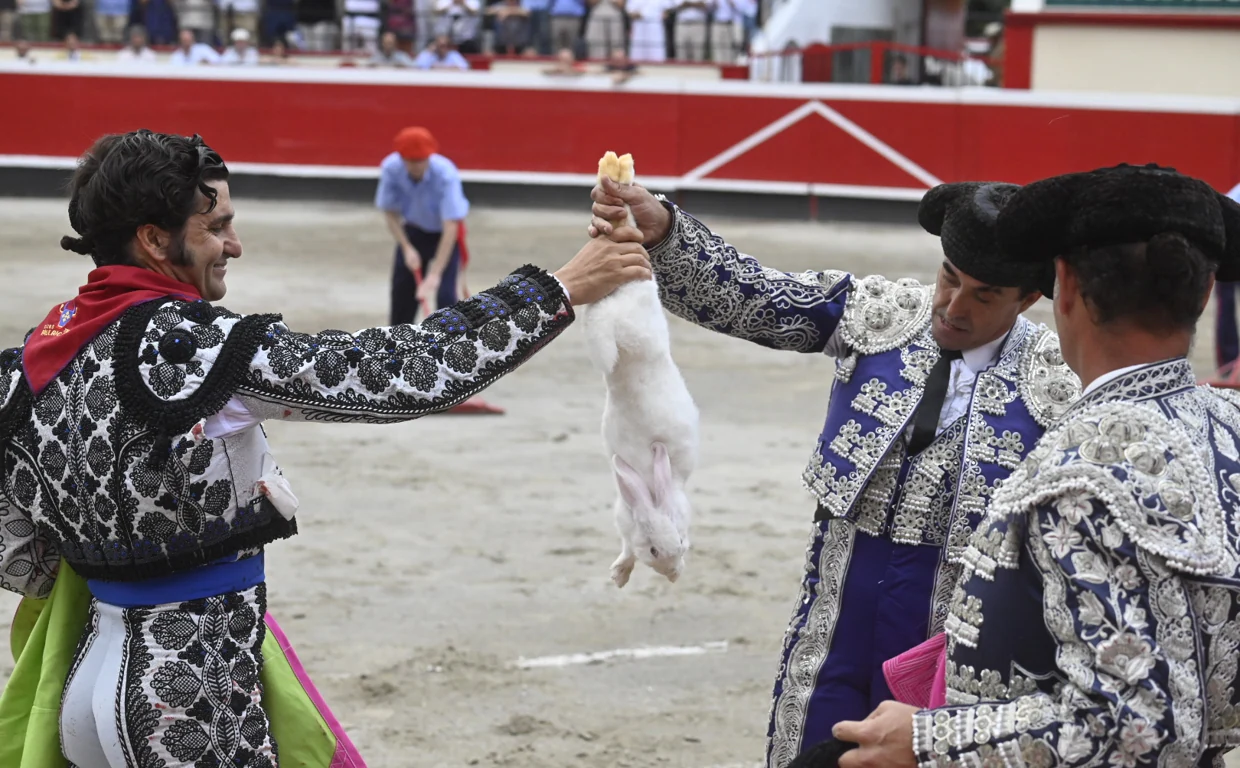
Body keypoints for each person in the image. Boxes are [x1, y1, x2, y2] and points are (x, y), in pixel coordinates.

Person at [0, 129, 650, 768]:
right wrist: (559, 290)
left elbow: (24, 560)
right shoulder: (185, 346)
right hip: (188, 690)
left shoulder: (26, 368)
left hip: (84, 684)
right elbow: (393, 373)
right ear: (153, 238)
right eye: (216, 226)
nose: (235, 244)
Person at [589, 178, 1081, 768]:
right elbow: (756, 297)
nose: (953, 306)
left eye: (985, 295)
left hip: (959, 626)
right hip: (837, 600)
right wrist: (665, 229)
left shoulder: (1060, 381)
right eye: (949, 277)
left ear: (1027, 299)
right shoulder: (880, 312)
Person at [833, 164, 1240, 767]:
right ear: (1204, 294)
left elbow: (1134, 730)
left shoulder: (1079, 472)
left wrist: (926, 739)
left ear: (1065, 287)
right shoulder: (1229, 426)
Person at [1212, 180, 1240, 377]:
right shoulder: (1235, 194)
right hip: (1229, 249)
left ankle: (1230, 365)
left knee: (1226, 305)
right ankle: (1229, 364)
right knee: (1226, 305)